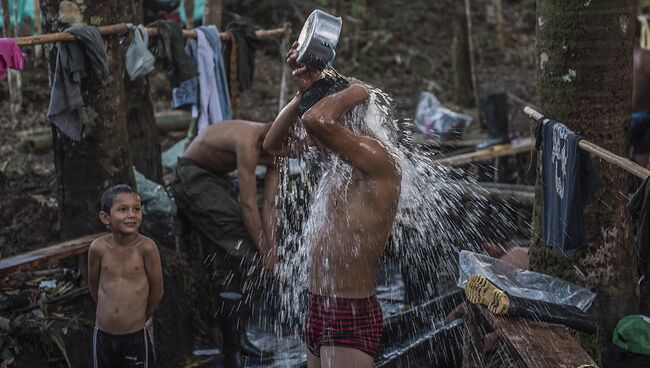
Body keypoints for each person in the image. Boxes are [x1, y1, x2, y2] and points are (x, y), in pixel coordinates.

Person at [264, 42, 402, 368]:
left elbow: (317, 121)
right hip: (318, 305)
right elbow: (272, 144)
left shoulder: (377, 157)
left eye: (316, 132)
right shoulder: (337, 160)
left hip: (349, 311)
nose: (310, 142)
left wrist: (357, 89)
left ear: (343, 119)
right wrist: (303, 95)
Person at [170, 120, 278, 367]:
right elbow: (249, 205)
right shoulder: (248, 141)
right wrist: (263, 252)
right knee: (244, 243)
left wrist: (272, 248)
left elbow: (270, 205)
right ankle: (234, 347)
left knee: (231, 257)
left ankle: (237, 343)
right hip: (192, 177)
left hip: (217, 180)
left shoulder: (280, 151)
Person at [87, 184, 164, 368]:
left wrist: (138, 318)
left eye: (136, 209)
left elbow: (157, 291)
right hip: (103, 335)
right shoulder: (98, 248)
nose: (132, 215)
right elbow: (94, 286)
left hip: (135, 337)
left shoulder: (147, 248)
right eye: (123, 209)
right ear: (106, 217)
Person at [632, 15, 650, 167]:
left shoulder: (619, 59)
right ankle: (641, 189)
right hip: (644, 118)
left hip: (622, 121)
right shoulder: (648, 56)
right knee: (641, 171)